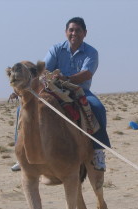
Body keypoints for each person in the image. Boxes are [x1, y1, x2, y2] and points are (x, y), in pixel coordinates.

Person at [44, 16, 111, 171]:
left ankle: (98, 150)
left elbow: (87, 74)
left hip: (80, 90)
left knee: (98, 107)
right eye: (71, 30)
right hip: (55, 90)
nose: (74, 33)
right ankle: (22, 153)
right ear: (66, 32)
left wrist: (66, 78)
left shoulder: (91, 52)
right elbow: (45, 69)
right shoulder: (55, 49)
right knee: (24, 108)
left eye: (78, 30)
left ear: (85, 33)